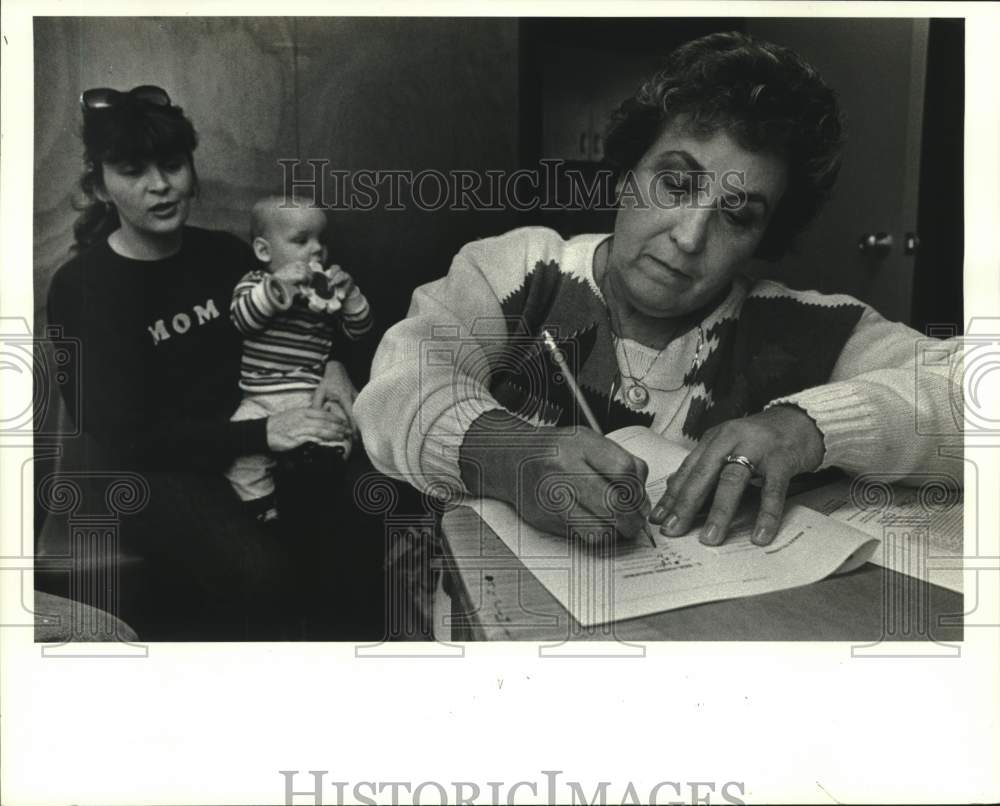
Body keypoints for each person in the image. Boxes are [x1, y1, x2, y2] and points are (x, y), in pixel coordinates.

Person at [354, 31, 962, 552]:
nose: (690, 237)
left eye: (738, 215)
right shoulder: (518, 271)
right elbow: (399, 383)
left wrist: (809, 428)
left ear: (766, 235)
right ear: (625, 175)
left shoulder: (803, 327)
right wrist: (510, 453)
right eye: (675, 184)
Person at [45, 85, 357, 638]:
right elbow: (123, 437)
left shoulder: (225, 254)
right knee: (264, 576)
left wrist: (335, 367)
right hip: (149, 473)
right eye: (132, 170)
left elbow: (305, 326)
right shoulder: (81, 287)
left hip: (253, 436)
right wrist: (264, 434)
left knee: (347, 531)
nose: (159, 185)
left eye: (172, 165)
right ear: (100, 184)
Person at [226, 195, 373, 523]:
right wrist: (277, 288)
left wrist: (350, 295)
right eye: (301, 241)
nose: (316, 249)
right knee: (240, 455)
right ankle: (261, 506)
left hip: (311, 393)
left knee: (341, 425)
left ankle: (322, 465)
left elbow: (359, 330)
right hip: (261, 399)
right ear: (265, 251)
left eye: (322, 240)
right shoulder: (255, 284)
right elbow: (243, 320)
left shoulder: (324, 293)